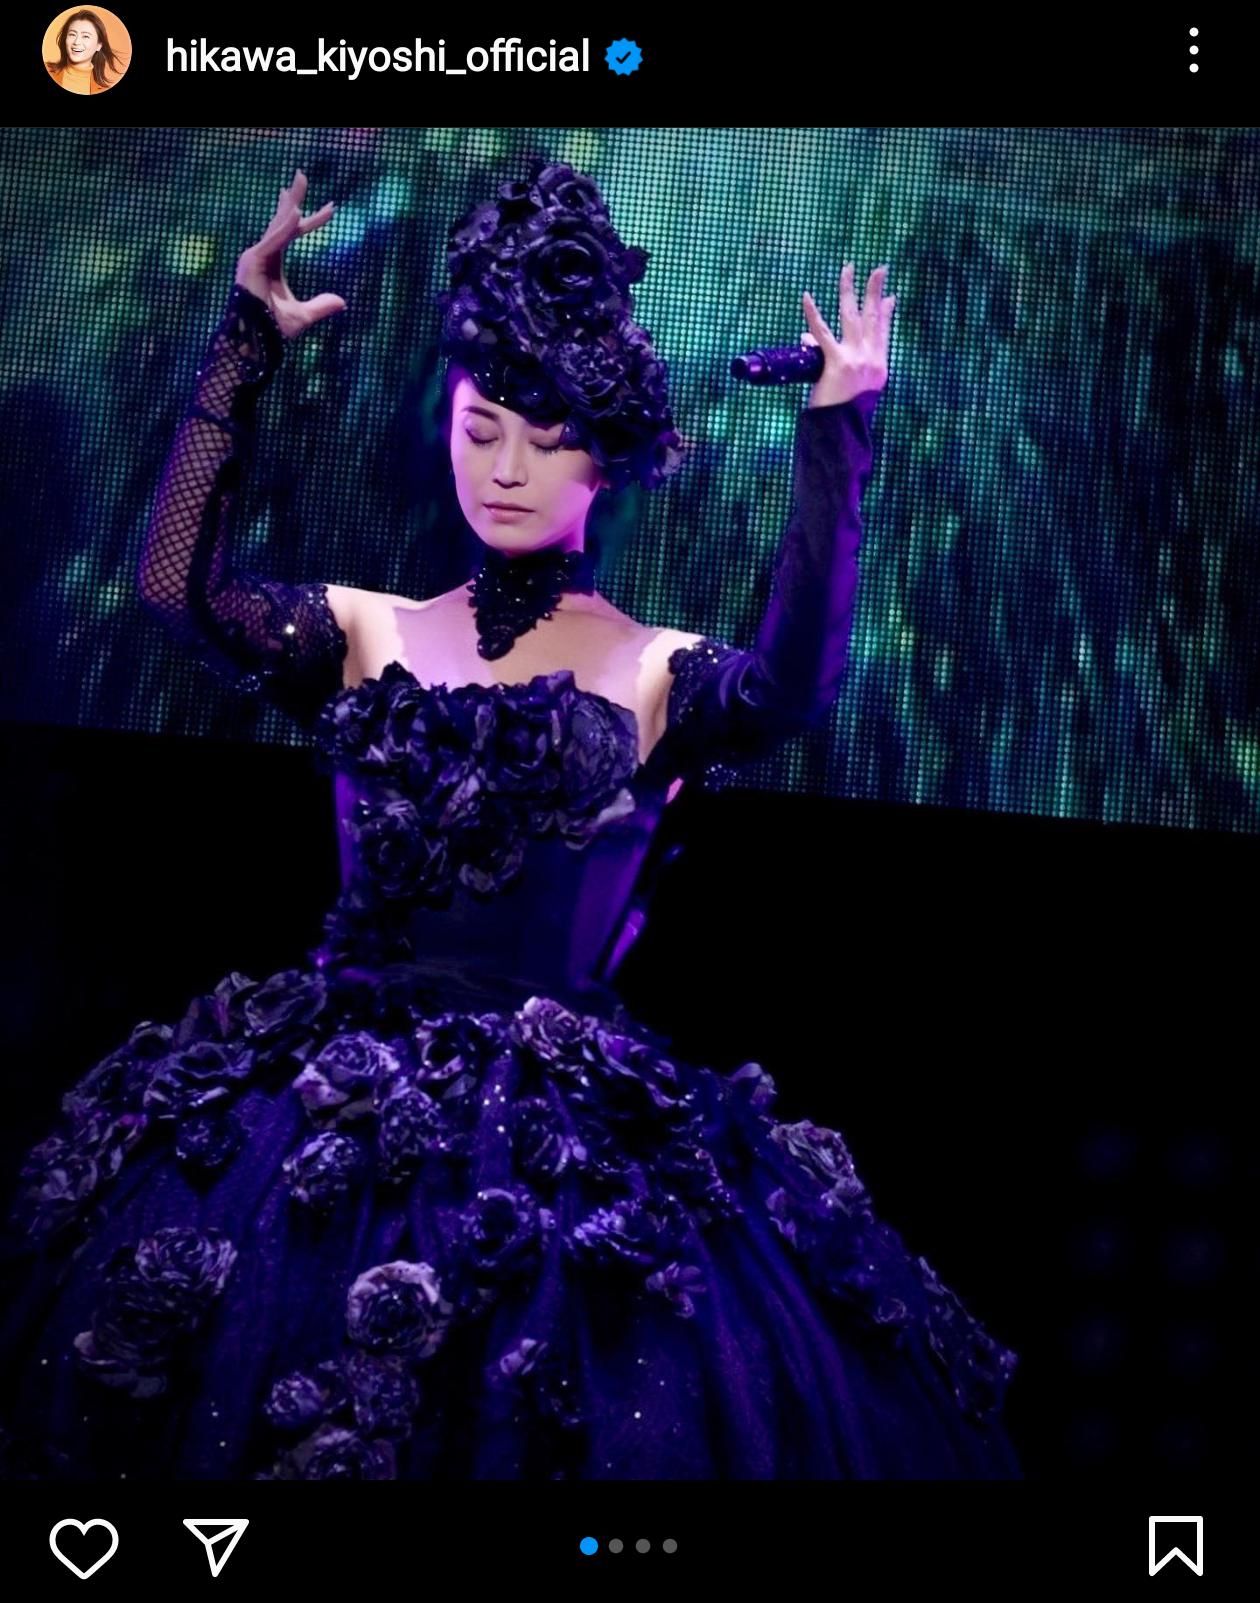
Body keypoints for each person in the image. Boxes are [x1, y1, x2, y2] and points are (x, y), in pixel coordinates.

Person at [0, 159, 1022, 1481]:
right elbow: (172, 589)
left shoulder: (656, 668)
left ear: (611, 452)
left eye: (545, 436)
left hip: (562, 1142)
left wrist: (839, 434)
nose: (506, 467)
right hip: (321, 1118)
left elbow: (793, 686)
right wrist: (245, 342)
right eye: (481, 428)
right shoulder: (366, 628)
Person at [45, 11, 127, 94]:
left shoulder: (102, 90)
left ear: (99, 45)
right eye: (72, 34)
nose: (76, 42)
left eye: (85, 36)